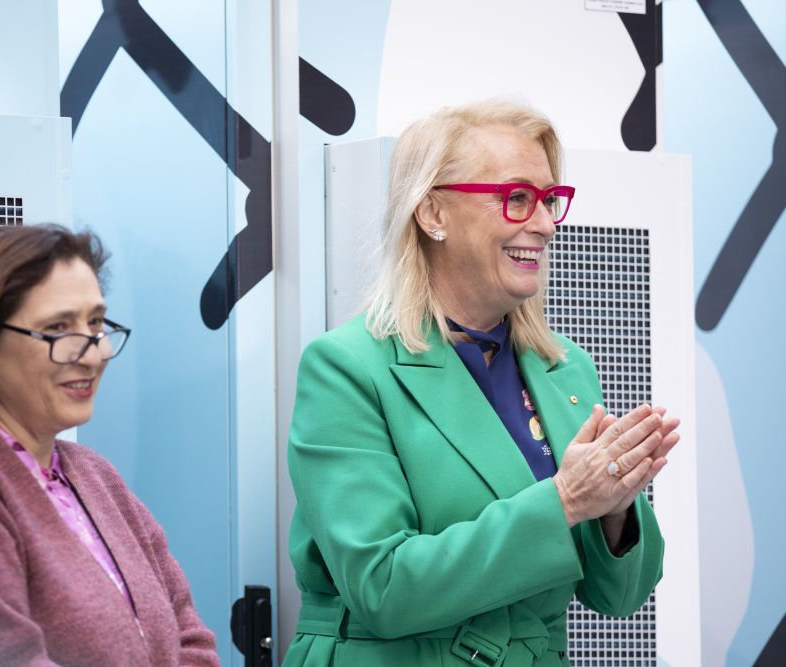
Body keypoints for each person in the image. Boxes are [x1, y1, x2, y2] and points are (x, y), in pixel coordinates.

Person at [283, 101, 680, 667]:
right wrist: (567, 499)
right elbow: (382, 588)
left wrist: (614, 508)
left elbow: (621, 595)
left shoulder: (564, 366)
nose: (543, 224)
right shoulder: (345, 367)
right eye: (517, 198)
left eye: (548, 201)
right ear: (432, 214)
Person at [0, 224, 219, 667]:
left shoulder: (93, 474)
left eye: (95, 323)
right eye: (58, 329)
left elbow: (190, 637)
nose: (92, 354)